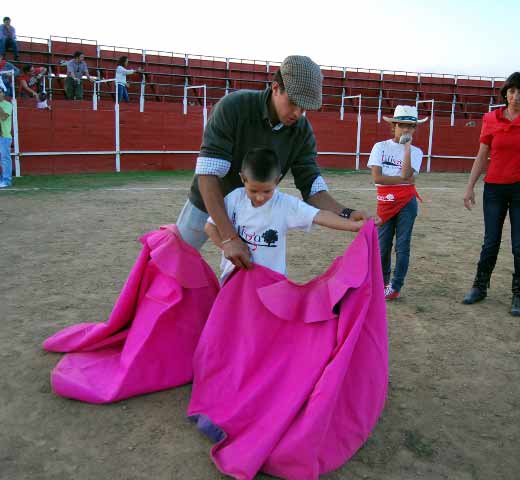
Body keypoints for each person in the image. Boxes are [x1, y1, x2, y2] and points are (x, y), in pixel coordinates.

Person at [177, 55, 372, 270]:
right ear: (276, 87)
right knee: (174, 263)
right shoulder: (233, 107)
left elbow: (312, 185)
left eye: (304, 107)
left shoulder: (302, 130)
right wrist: (229, 237)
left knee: (250, 278)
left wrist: (346, 212)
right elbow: (208, 175)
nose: (298, 113)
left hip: (258, 206)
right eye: (294, 103)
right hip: (209, 200)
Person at [205, 147, 364, 281]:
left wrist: (352, 225)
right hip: (234, 278)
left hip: (271, 281)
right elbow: (210, 226)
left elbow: (319, 215)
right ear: (243, 179)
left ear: (277, 180)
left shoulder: (285, 204)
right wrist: (227, 246)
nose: (260, 197)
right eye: (253, 190)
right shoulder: (234, 198)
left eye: (267, 191)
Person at [462, 72, 520, 315]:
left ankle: (518, 294)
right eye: (513, 91)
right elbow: (481, 154)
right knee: (491, 241)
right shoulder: (491, 119)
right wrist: (470, 186)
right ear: (505, 93)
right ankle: (480, 286)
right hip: (494, 188)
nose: (516, 96)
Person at [367, 105, 428, 300]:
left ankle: (395, 286)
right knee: (382, 245)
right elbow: (377, 178)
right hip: (385, 201)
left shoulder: (416, 151)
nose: (406, 130)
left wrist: (407, 148)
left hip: (406, 202)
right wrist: (402, 179)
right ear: (394, 126)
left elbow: (408, 177)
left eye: (411, 126)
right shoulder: (380, 147)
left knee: (402, 245)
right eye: (402, 125)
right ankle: (383, 283)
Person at [0, 86, 13, 188]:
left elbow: (4, 117)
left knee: (5, 159)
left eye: (0, 92)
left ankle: (6, 180)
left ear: (3, 94)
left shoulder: (8, 105)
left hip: (4, 136)